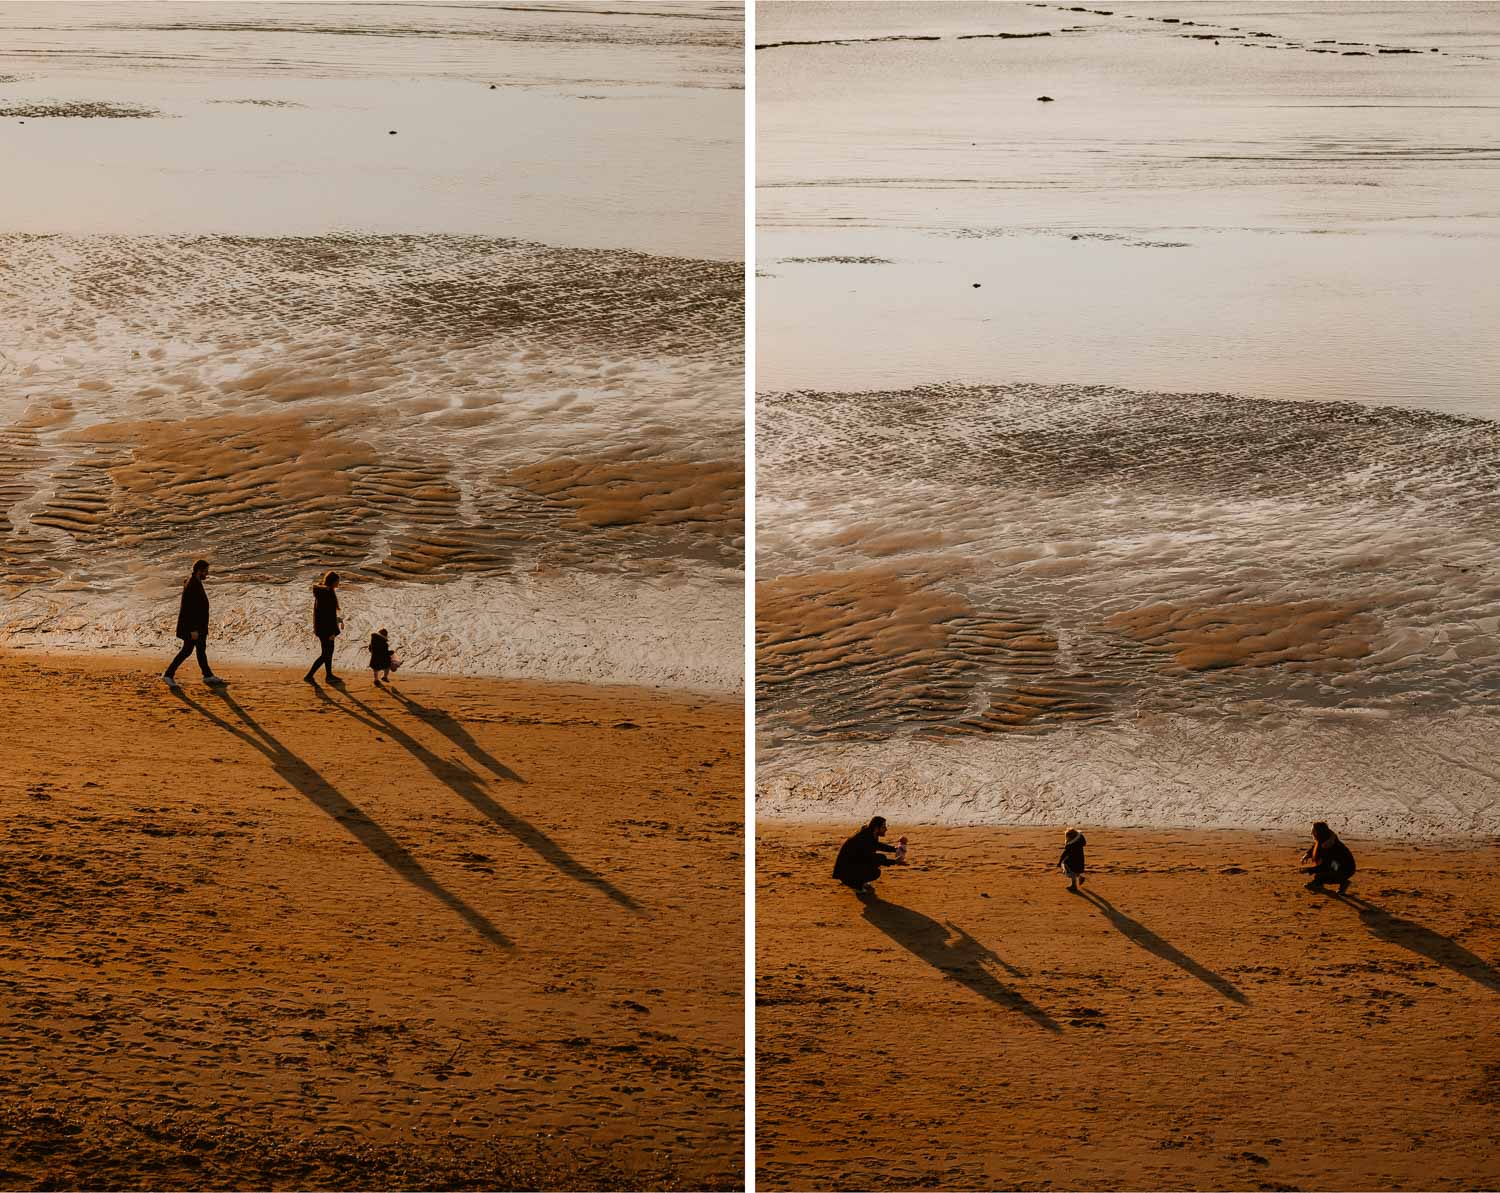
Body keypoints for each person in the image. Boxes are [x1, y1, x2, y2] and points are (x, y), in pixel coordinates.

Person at [163, 559, 226, 689]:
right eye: (206, 571)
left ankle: (207, 675)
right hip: (194, 627)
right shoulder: (192, 584)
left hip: (198, 626)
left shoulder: (194, 582)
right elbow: (188, 609)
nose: (207, 574)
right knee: (187, 651)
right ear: (199, 571)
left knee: (199, 650)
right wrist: (193, 630)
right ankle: (168, 675)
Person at [832, 815, 904, 893]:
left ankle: (858, 881)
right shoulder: (866, 838)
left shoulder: (870, 833)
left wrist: (895, 849)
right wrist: (894, 862)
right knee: (876, 870)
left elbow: (877, 845)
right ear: (876, 828)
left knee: (879, 858)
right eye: (883, 827)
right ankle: (855, 884)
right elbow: (871, 858)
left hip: (852, 865)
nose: (886, 829)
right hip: (845, 871)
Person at [302, 571, 343, 684]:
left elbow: (325, 614)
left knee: (328, 653)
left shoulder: (324, 592)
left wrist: (337, 620)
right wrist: (331, 632)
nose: (339, 583)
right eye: (338, 581)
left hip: (322, 628)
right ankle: (309, 675)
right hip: (326, 630)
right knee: (326, 654)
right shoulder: (327, 593)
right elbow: (326, 615)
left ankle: (329, 676)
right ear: (333, 581)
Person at [1301, 821, 1356, 895]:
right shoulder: (1326, 839)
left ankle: (1342, 882)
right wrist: (1307, 854)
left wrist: (1308, 870)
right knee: (1320, 873)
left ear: (1319, 832)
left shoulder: (1329, 846)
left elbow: (1325, 865)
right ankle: (1319, 883)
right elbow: (1315, 846)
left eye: (1313, 831)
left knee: (1320, 875)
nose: (1311, 833)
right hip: (1340, 866)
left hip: (1346, 869)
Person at [1057, 828, 1087, 892]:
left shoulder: (1070, 845)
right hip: (1080, 858)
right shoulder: (1080, 840)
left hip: (1071, 860)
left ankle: (1074, 885)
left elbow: (1064, 854)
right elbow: (1084, 843)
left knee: (1071, 872)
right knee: (1077, 870)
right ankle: (1080, 877)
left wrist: (1060, 862)